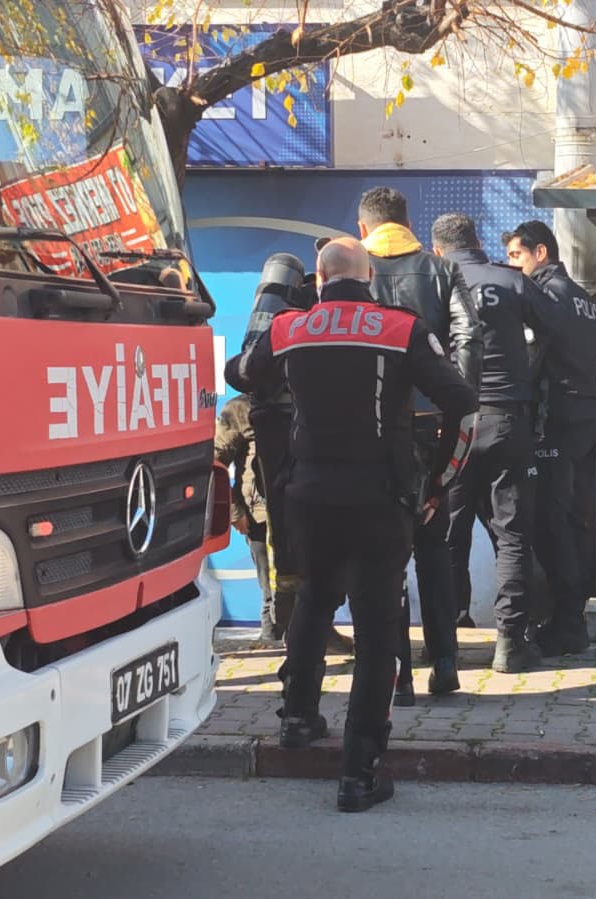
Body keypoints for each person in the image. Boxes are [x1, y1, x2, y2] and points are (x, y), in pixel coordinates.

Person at [230, 236, 477, 812]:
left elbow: (243, 373)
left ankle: (297, 718)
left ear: (318, 279)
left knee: (314, 600)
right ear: (370, 279)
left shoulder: (291, 328)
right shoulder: (400, 328)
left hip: (308, 496)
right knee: (376, 631)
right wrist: (439, 481)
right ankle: (359, 773)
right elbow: (464, 407)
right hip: (380, 499)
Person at [358, 187, 483, 698]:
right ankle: (446, 659)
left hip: (372, 429)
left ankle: (398, 674)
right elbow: (469, 336)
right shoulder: (441, 271)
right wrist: (458, 394)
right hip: (433, 423)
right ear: (409, 223)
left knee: (384, 551)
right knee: (434, 544)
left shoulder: (352, 270)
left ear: (364, 227)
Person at [432, 213, 565, 673]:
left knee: (448, 537)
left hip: (452, 425)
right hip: (509, 419)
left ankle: (445, 640)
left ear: (438, 249)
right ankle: (510, 643)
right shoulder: (508, 281)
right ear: (478, 244)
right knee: (512, 535)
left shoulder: (435, 279)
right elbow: (553, 324)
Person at [227, 252, 354, 652]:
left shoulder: (276, 335)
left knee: (297, 549)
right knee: (299, 552)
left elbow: (240, 371)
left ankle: (302, 635)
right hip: (286, 476)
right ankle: (292, 634)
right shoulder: (246, 407)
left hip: (284, 459)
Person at [504, 220, 596, 656]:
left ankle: (565, 621)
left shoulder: (545, 295)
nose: (514, 267)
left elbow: (530, 358)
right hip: (586, 414)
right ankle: (572, 614)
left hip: (556, 418)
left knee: (552, 520)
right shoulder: (584, 299)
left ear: (540, 253)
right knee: (578, 518)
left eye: (516, 257)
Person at [213, 394, 275, 633]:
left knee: (306, 589)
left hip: (301, 509)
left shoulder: (303, 394)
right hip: (260, 516)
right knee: (272, 594)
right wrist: (234, 511)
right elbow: (216, 462)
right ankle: (272, 648)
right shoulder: (239, 408)